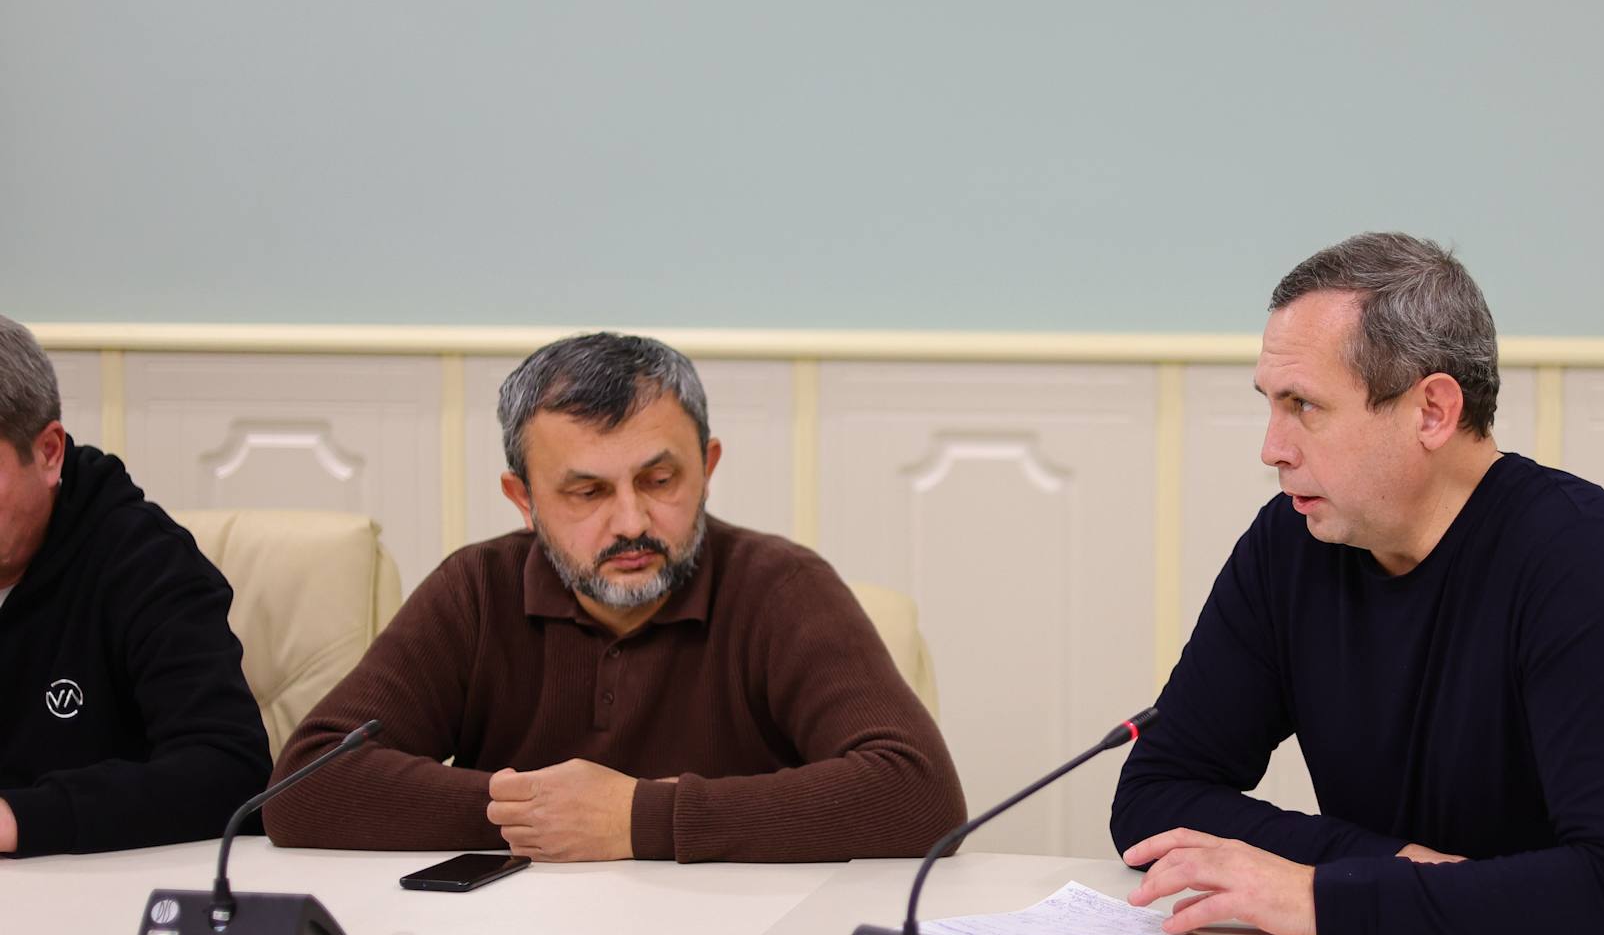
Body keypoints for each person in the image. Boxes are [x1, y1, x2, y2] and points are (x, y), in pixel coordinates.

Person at [1112, 234, 1604, 935]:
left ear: (1433, 411)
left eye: (1303, 406)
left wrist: (1320, 894)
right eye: (1270, 405)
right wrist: (1379, 864)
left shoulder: (1580, 556)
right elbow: (1154, 795)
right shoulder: (1292, 544)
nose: (1272, 448)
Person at [264, 332, 965, 861]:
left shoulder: (782, 587)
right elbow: (304, 788)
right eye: (587, 492)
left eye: (660, 481)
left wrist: (636, 817)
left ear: (707, 468)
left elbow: (918, 794)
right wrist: (547, 817)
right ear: (524, 499)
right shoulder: (477, 589)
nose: (631, 522)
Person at [0, 315, 271, 856]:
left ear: (49, 452)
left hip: (102, 890)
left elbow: (229, 769)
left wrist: (23, 819)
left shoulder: (148, 563)